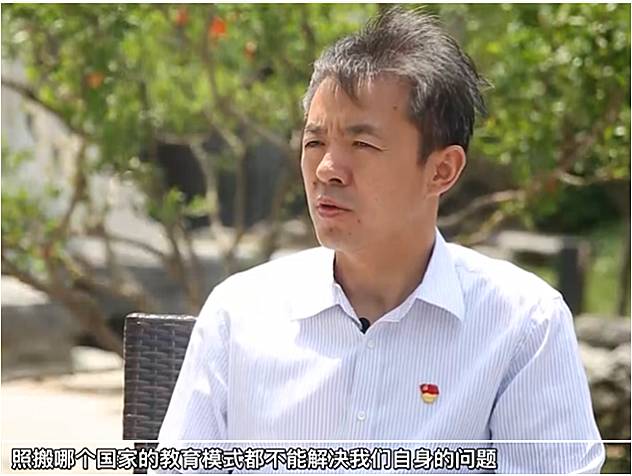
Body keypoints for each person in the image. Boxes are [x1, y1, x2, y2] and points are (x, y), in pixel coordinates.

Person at [157, 7, 604, 473]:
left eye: (362, 144)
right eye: (314, 143)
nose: (327, 169)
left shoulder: (522, 325)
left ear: (442, 170)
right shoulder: (241, 313)